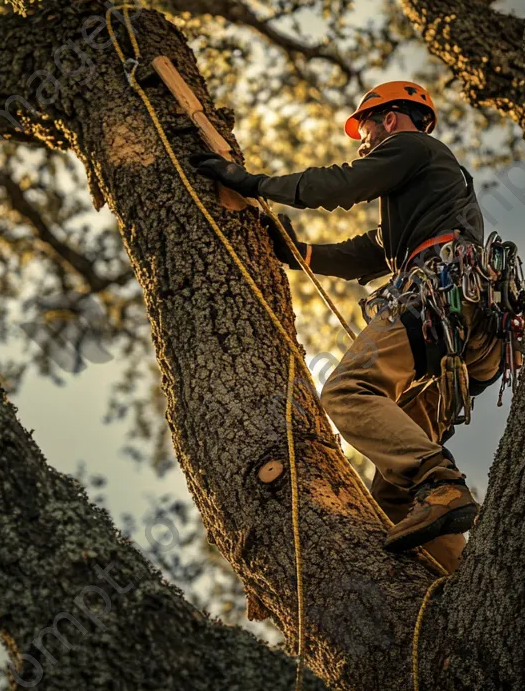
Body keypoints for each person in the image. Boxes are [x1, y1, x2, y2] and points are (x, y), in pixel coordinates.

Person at [191, 80, 503, 562]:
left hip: (439, 298)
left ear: (391, 120)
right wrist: (300, 254)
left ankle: (441, 485)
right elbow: (371, 252)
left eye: (366, 129)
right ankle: (459, 580)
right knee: (393, 498)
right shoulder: (428, 197)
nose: (363, 142)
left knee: (347, 390)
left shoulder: (411, 146)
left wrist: (252, 183)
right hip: (467, 340)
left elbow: (341, 184)